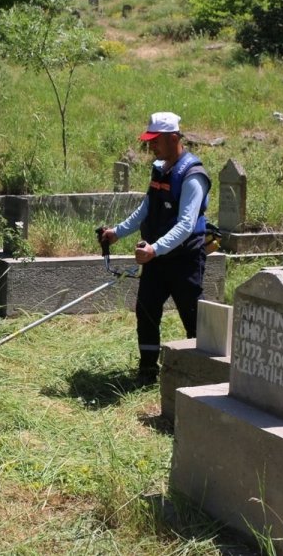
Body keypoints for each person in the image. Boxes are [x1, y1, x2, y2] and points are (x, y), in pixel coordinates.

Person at [99, 112, 211, 381]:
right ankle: (148, 369)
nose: (151, 147)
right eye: (149, 141)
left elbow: (185, 225)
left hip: (184, 260)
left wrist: (153, 249)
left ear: (173, 138)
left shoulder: (193, 176)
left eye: (155, 141)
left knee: (192, 316)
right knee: (146, 309)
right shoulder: (161, 168)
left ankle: (201, 375)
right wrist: (118, 232)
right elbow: (146, 209)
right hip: (157, 259)